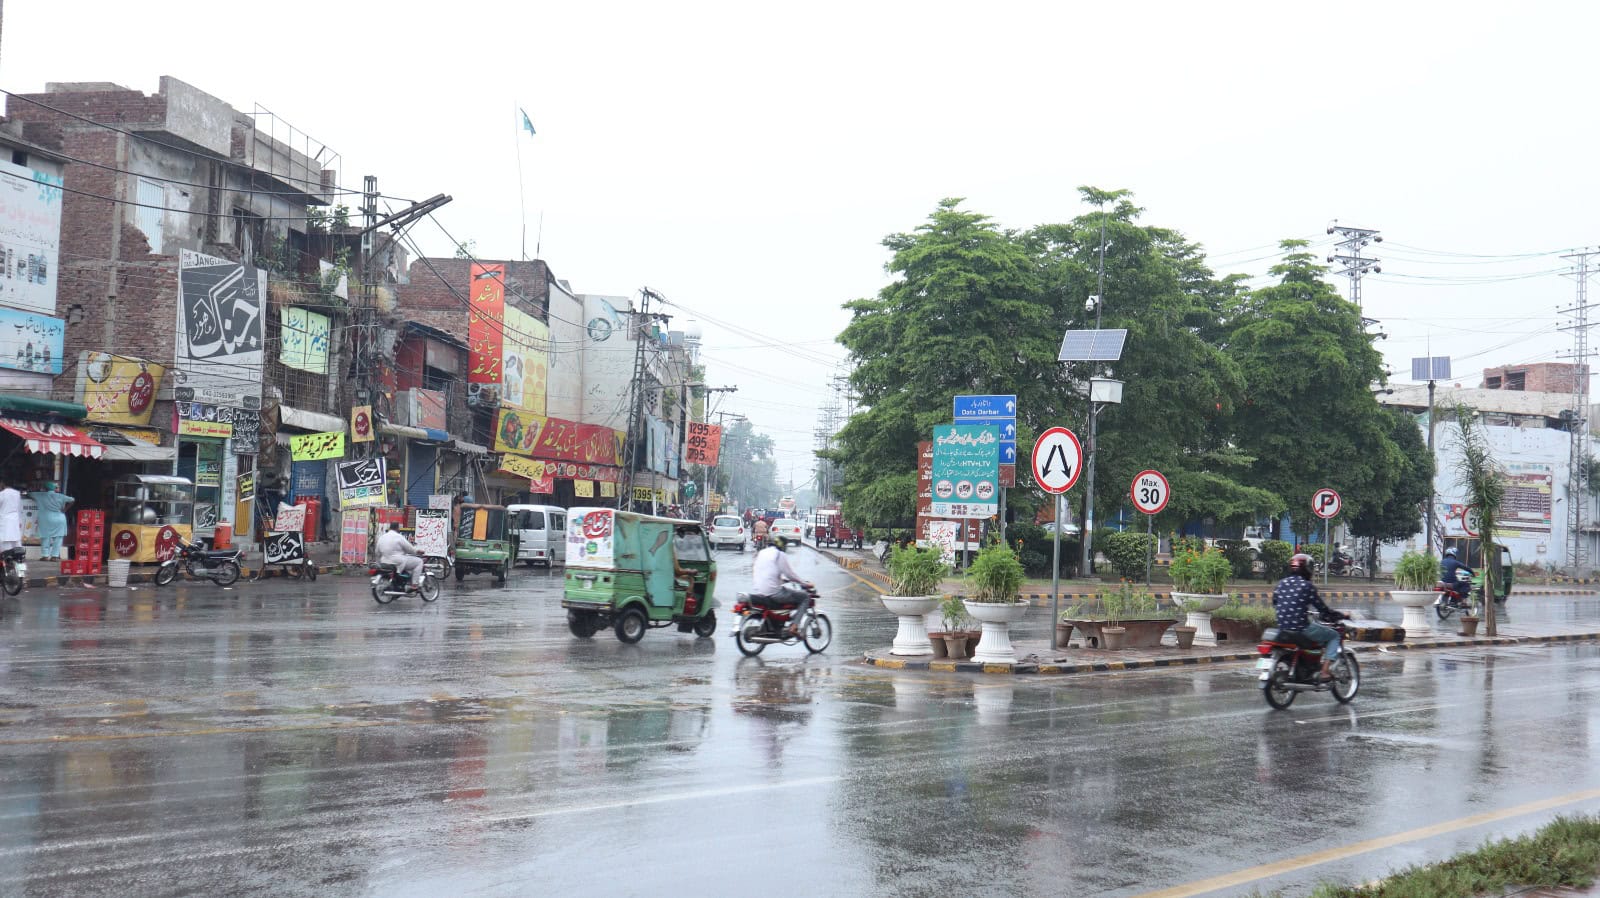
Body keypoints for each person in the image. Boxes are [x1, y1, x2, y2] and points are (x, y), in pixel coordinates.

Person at [1272, 552, 1349, 681]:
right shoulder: (1307, 586)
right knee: (1334, 635)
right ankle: (1324, 671)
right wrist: (1340, 615)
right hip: (1301, 628)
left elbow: (1275, 603)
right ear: (1307, 569)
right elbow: (1323, 610)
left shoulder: (1281, 583)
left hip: (1282, 627)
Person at [751, 534, 814, 637]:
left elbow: (768, 571)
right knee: (805, 597)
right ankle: (794, 626)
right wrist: (805, 584)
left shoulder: (763, 552)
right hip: (773, 592)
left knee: (785, 592)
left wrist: (781, 580)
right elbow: (790, 575)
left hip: (759, 589)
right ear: (783, 546)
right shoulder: (779, 554)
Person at [28, 482, 73, 560]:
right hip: (59, 518)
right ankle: (54, 556)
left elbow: (29, 494)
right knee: (58, 538)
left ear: (45, 489)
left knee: (45, 537)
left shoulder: (40, 495)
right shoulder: (61, 496)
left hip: (45, 519)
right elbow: (72, 500)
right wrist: (65, 509)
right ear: (54, 488)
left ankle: (45, 555)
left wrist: (37, 489)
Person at [0, 477, 21, 552]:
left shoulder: (2, 494)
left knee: (5, 539)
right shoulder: (17, 493)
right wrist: (19, 521)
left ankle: (5, 557)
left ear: (3, 484)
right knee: (15, 539)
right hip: (15, 518)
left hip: (4, 519)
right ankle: (17, 556)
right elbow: (19, 508)